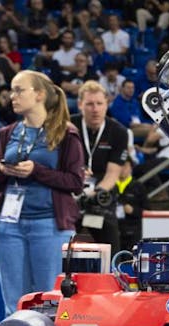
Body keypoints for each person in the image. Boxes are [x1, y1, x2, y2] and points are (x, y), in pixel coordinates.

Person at [0, 70, 85, 326]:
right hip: (8, 226)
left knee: (50, 304)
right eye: (11, 91)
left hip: (50, 226)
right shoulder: (7, 133)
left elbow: (75, 182)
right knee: (13, 303)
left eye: (19, 90)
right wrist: (3, 173)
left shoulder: (66, 133)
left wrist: (37, 172)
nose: (12, 96)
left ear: (40, 95)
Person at [71, 80, 130, 256]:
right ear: (80, 104)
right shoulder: (68, 127)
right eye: (89, 104)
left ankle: (111, 278)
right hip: (70, 193)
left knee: (111, 249)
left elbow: (113, 174)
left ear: (107, 104)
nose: (95, 109)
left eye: (99, 103)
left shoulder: (118, 132)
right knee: (61, 246)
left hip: (99, 197)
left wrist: (93, 193)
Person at [115, 158, 145, 251]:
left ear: (131, 168)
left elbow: (147, 211)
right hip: (113, 228)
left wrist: (133, 210)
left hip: (133, 230)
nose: (122, 169)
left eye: (125, 166)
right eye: (120, 166)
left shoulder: (138, 186)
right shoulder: (109, 185)